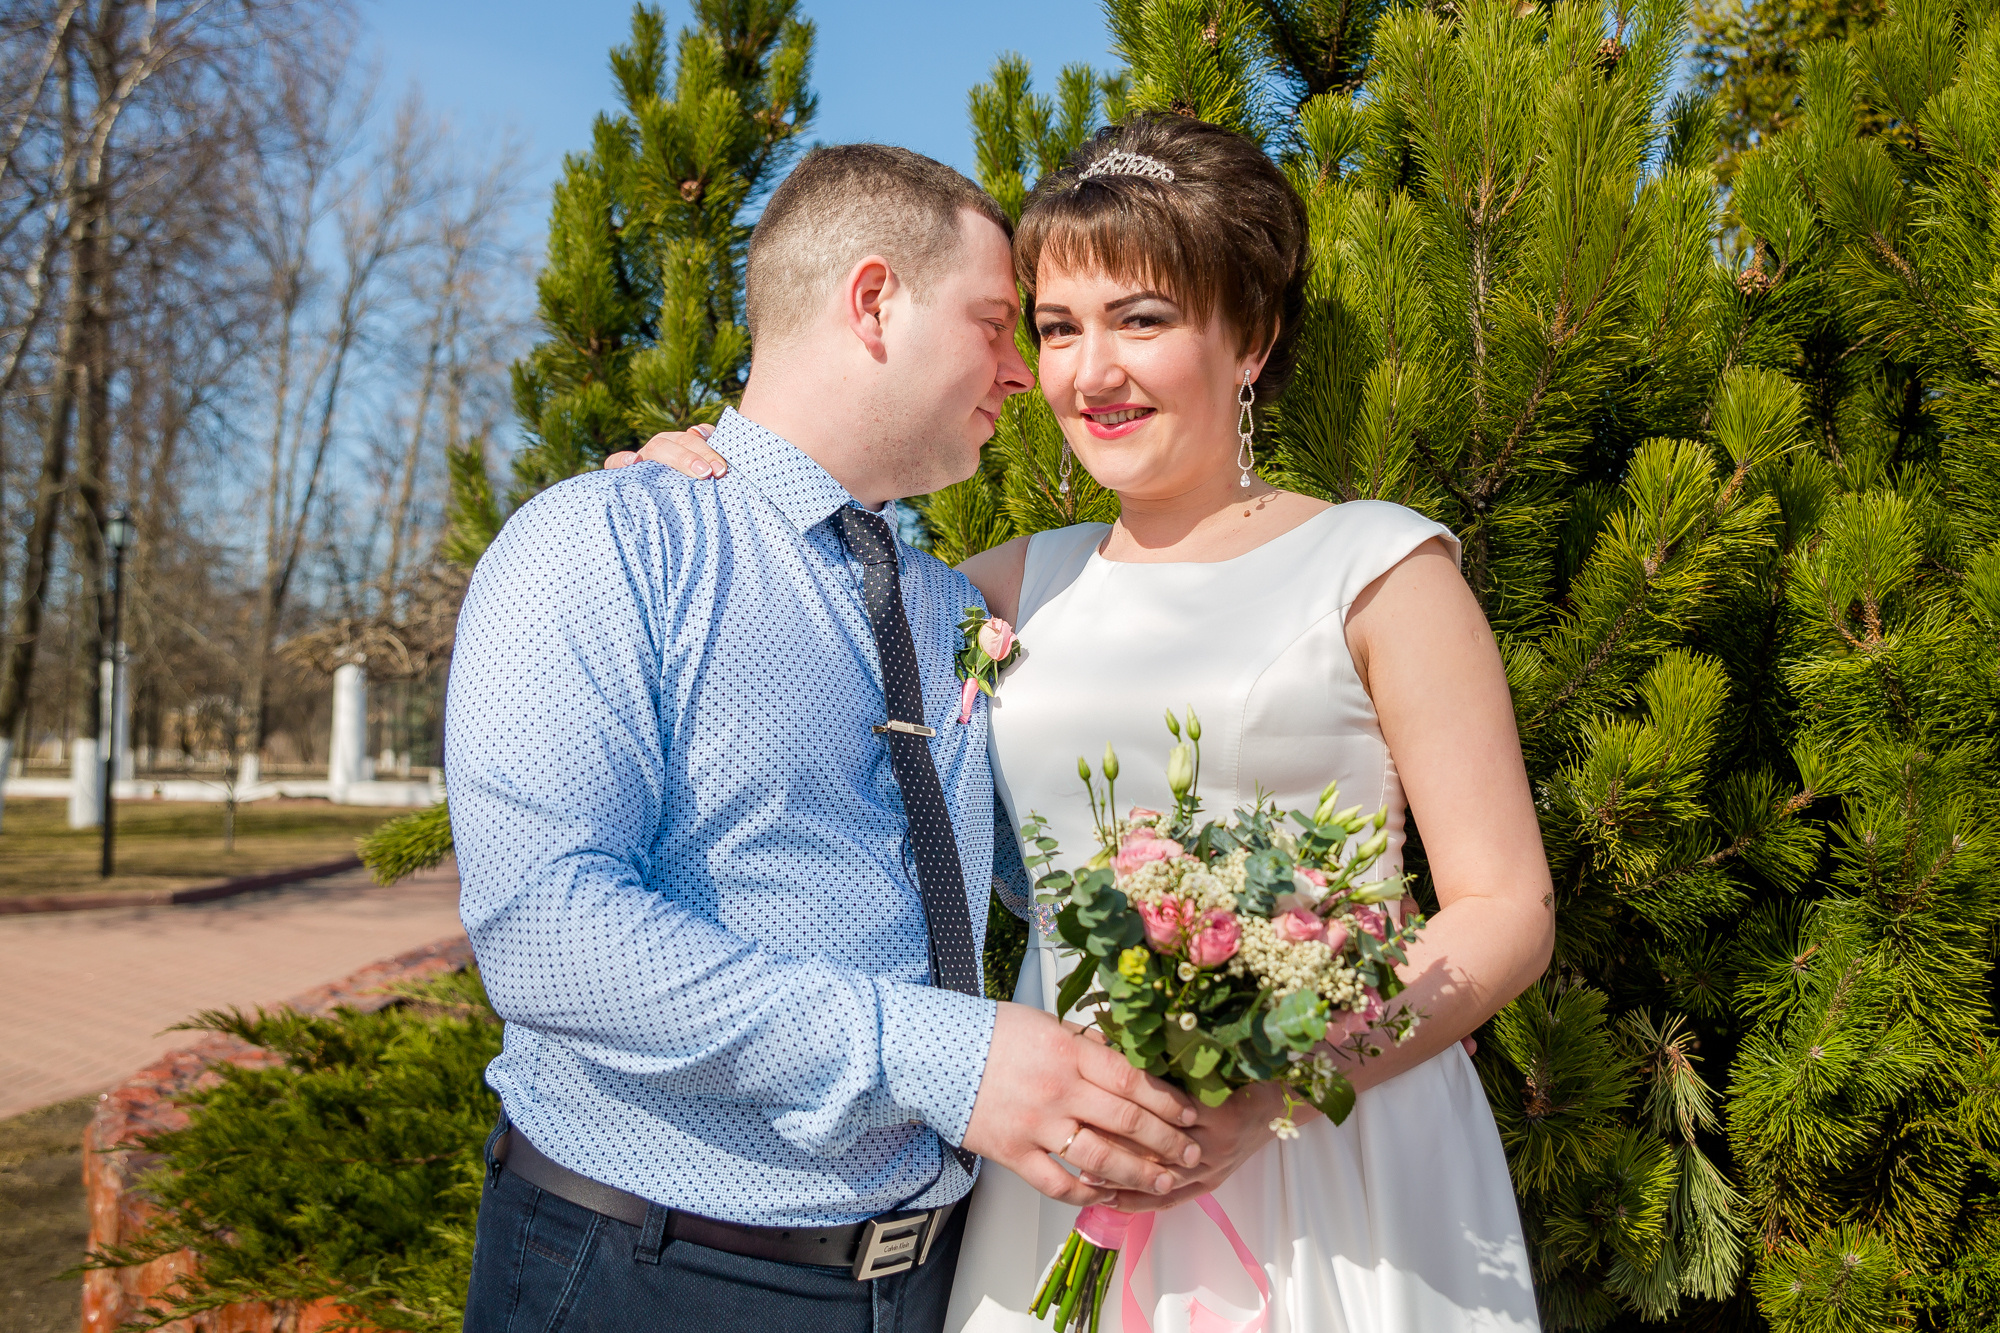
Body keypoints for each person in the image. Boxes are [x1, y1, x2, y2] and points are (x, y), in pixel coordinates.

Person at [626, 114, 1555, 1333]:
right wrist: (704, 487)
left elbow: (1504, 909)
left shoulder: (1377, 568)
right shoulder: (993, 588)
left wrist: (1283, 1083)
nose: (1086, 372)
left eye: (1142, 319)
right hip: (1065, 1148)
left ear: (1253, 340)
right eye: (1057, 328)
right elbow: (778, 672)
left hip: (1341, 1148)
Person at [447, 143, 1211, 1333]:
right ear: (872, 302)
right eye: (998, 323)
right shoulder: (605, 544)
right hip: (653, 1271)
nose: (1023, 373)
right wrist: (945, 1059)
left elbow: (1055, 865)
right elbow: (546, 933)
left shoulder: (955, 607)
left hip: (937, 1281)